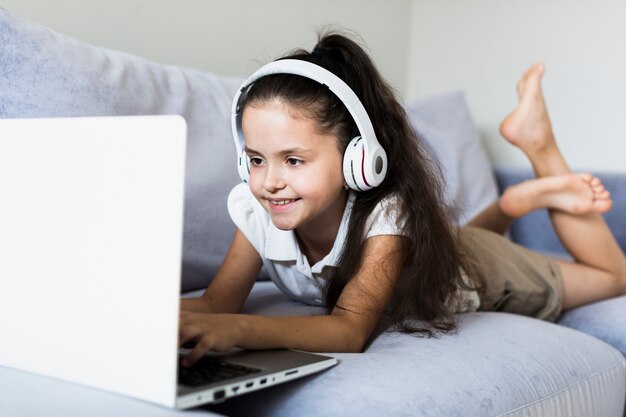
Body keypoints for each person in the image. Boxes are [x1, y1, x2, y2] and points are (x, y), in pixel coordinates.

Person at [179, 32, 626, 367]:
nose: (269, 181)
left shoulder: (387, 214)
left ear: (359, 160)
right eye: (256, 159)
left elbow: (348, 329)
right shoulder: (257, 208)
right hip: (437, 251)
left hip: (479, 271)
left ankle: (540, 148)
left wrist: (237, 330)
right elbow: (218, 303)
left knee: (613, 276)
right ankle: (511, 205)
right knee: (450, 244)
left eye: (293, 161)